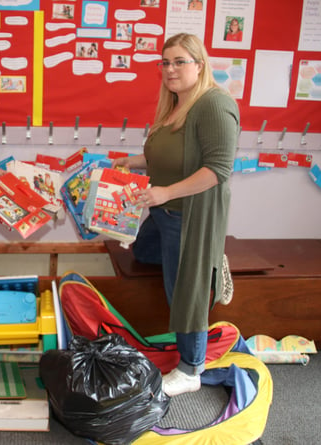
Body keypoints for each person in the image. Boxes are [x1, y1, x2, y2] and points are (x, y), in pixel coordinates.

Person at [112, 33, 239, 397]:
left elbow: (217, 169)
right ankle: (211, 262)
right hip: (164, 212)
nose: (170, 69)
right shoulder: (174, 105)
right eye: (165, 62)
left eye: (179, 61)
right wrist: (128, 162)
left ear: (199, 64)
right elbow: (165, 155)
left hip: (190, 214)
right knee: (141, 251)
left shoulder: (214, 104)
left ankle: (191, 368)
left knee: (184, 291)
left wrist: (165, 192)